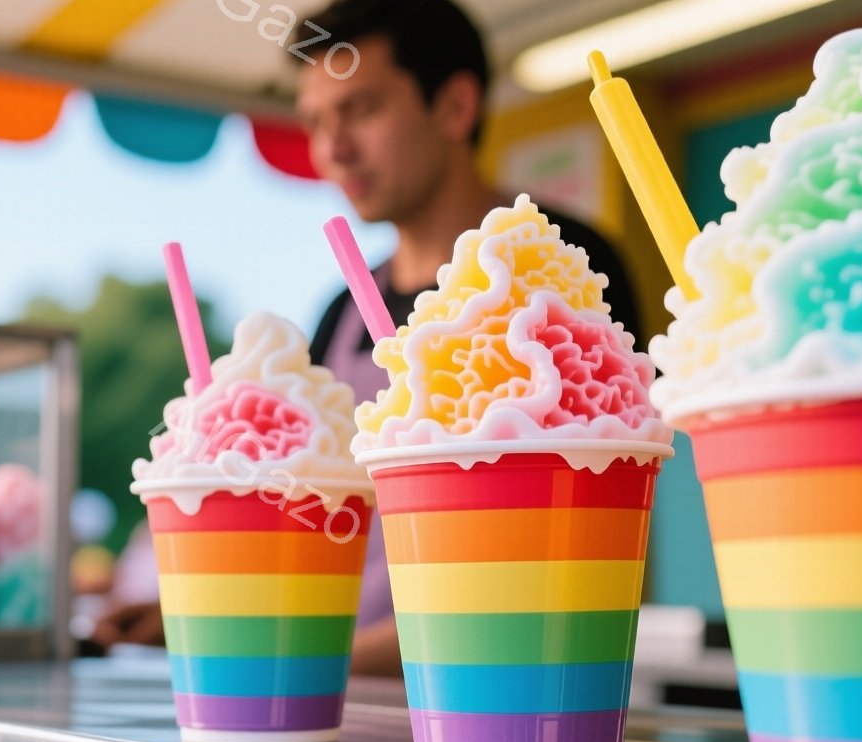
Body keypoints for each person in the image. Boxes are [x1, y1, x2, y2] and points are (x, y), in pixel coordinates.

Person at [92, 0, 641, 675]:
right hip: (337, 699)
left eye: (361, 110)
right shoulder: (342, 312)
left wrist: (311, 653)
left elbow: (586, 537)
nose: (332, 149)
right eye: (318, 121)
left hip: (518, 685)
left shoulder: (567, 267)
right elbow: (305, 517)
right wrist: (195, 619)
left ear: (455, 107)